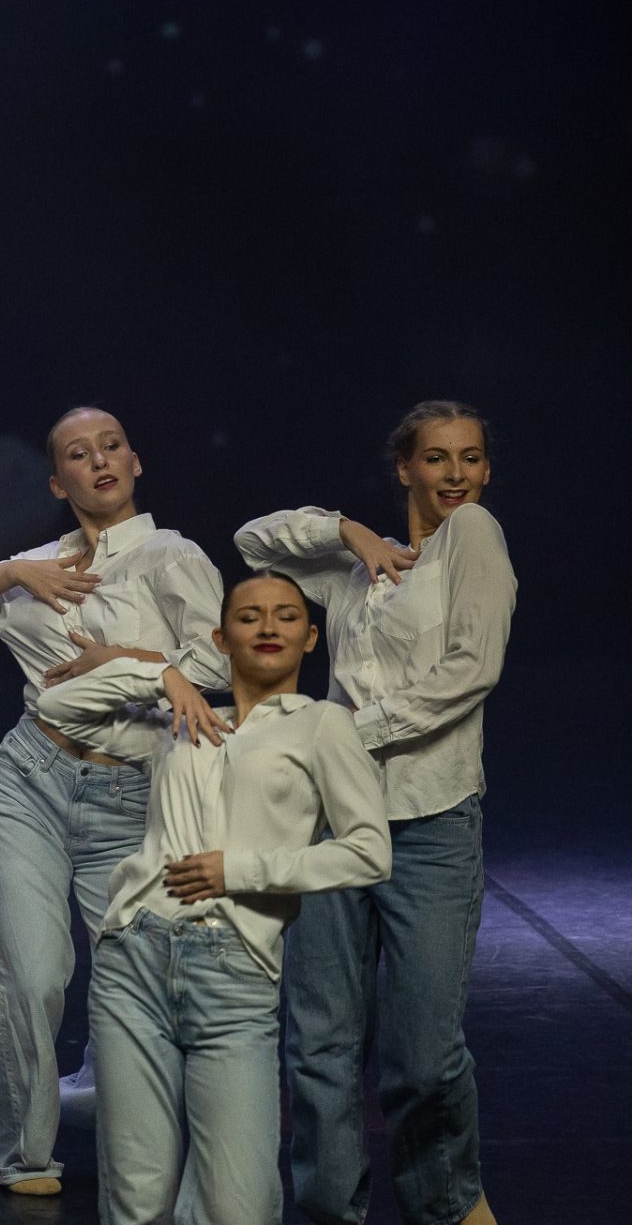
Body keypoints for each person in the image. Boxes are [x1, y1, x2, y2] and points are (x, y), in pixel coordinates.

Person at [0, 406, 230, 1196]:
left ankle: (100, 1100)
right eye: (78, 454)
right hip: (30, 779)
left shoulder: (173, 556)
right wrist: (14, 573)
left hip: (129, 793)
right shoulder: (42, 563)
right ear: (59, 483)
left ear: (135, 462)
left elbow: (216, 667)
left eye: (111, 446)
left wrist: (119, 659)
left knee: (131, 982)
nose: (99, 461)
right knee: (30, 977)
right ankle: (24, 1154)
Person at [36, 571, 392, 1223]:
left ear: (311, 637)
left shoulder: (323, 725)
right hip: (134, 961)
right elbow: (56, 706)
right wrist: (162, 674)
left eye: (286, 616)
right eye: (249, 616)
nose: (268, 626)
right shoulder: (178, 721)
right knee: (137, 1197)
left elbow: (368, 851)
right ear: (221, 638)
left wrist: (240, 871)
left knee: (239, 1207)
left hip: (234, 973)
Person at [236, 400, 514, 1225]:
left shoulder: (474, 537)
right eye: (436, 458)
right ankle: (331, 1209)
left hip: (431, 821)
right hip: (331, 822)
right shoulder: (357, 570)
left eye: (470, 457)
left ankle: (445, 1199)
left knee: (425, 1054)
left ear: (487, 469)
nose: (456, 474)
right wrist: (348, 531)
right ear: (405, 468)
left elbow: (473, 668)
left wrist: (353, 734)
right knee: (320, 1043)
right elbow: (253, 543)